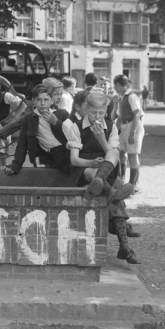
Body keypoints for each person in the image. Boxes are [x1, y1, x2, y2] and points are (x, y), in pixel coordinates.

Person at [65, 91, 138, 264]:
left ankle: (125, 246)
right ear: (86, 109)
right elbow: (74, 160)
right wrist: (91, 162)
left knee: (112, 156)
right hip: (85, 167)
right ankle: (125, 246)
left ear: (106, 111)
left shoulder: (110, 126)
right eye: (93, 112)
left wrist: (101, 138)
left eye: (101, 113)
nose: (97, 116)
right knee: (104, 184)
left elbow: (112, 153)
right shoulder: (76, 126)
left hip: (107, 166)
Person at [4, 82, 71, 175]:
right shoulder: (29, 119)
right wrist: (16, 164)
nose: (43, 103)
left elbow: (73, 135)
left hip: (68, 152)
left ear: (52, 101)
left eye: (46, 100)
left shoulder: (62, 114)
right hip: (50, 156)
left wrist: (56, 123)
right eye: (39, 100)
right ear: (34, 101)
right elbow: (22, 144)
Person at [112, 74, 145, 193]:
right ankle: (123, 180)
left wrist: (132, 133)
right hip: (124, 125)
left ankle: (132, 184)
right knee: (121, 153)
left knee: (132, 155)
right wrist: (115, 132)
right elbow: (118, 117)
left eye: (115, 85)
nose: (114, 87)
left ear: (120, 85)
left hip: (133, 125)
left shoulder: (132, 97)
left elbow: (137, 114)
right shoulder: (121, 98)